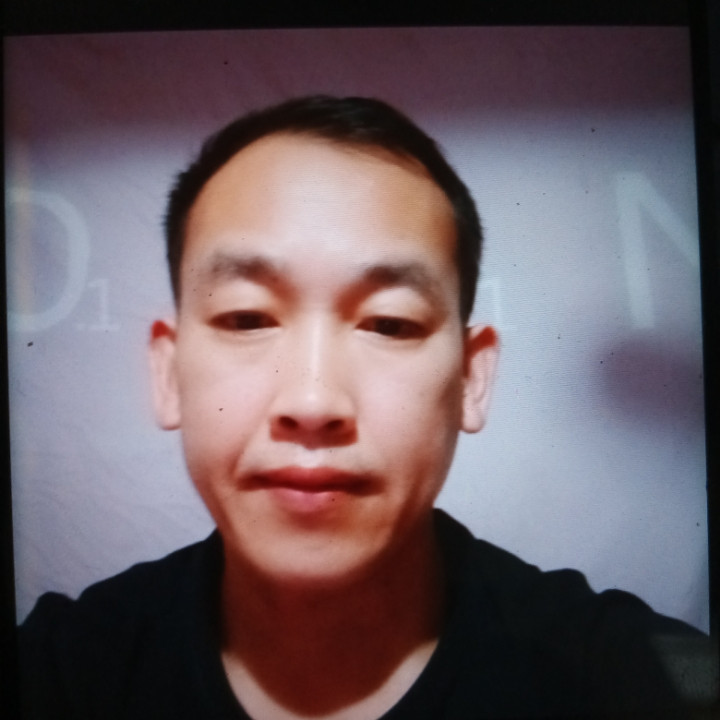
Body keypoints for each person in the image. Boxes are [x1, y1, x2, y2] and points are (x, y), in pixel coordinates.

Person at [18, 95, 710, 719]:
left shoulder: (627, 677)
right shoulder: (59, 673)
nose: (313, 401)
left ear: (471, 379)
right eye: (246, 317)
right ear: (169, 374)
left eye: (389, 324)